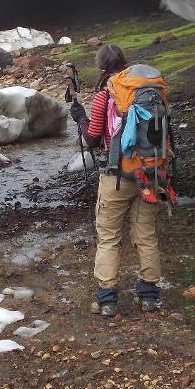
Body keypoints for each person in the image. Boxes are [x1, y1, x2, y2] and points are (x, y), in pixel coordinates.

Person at [69, 44, 164, 318]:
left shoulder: (105, 94)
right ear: (125, 63)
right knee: (145, 234)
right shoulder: (149, 89)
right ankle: (148, 296)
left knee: (109, 237)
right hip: (151, 172)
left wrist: (80, 117)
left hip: (118, 176)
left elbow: (94, 139)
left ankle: (107, 299)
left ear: (102, 69)